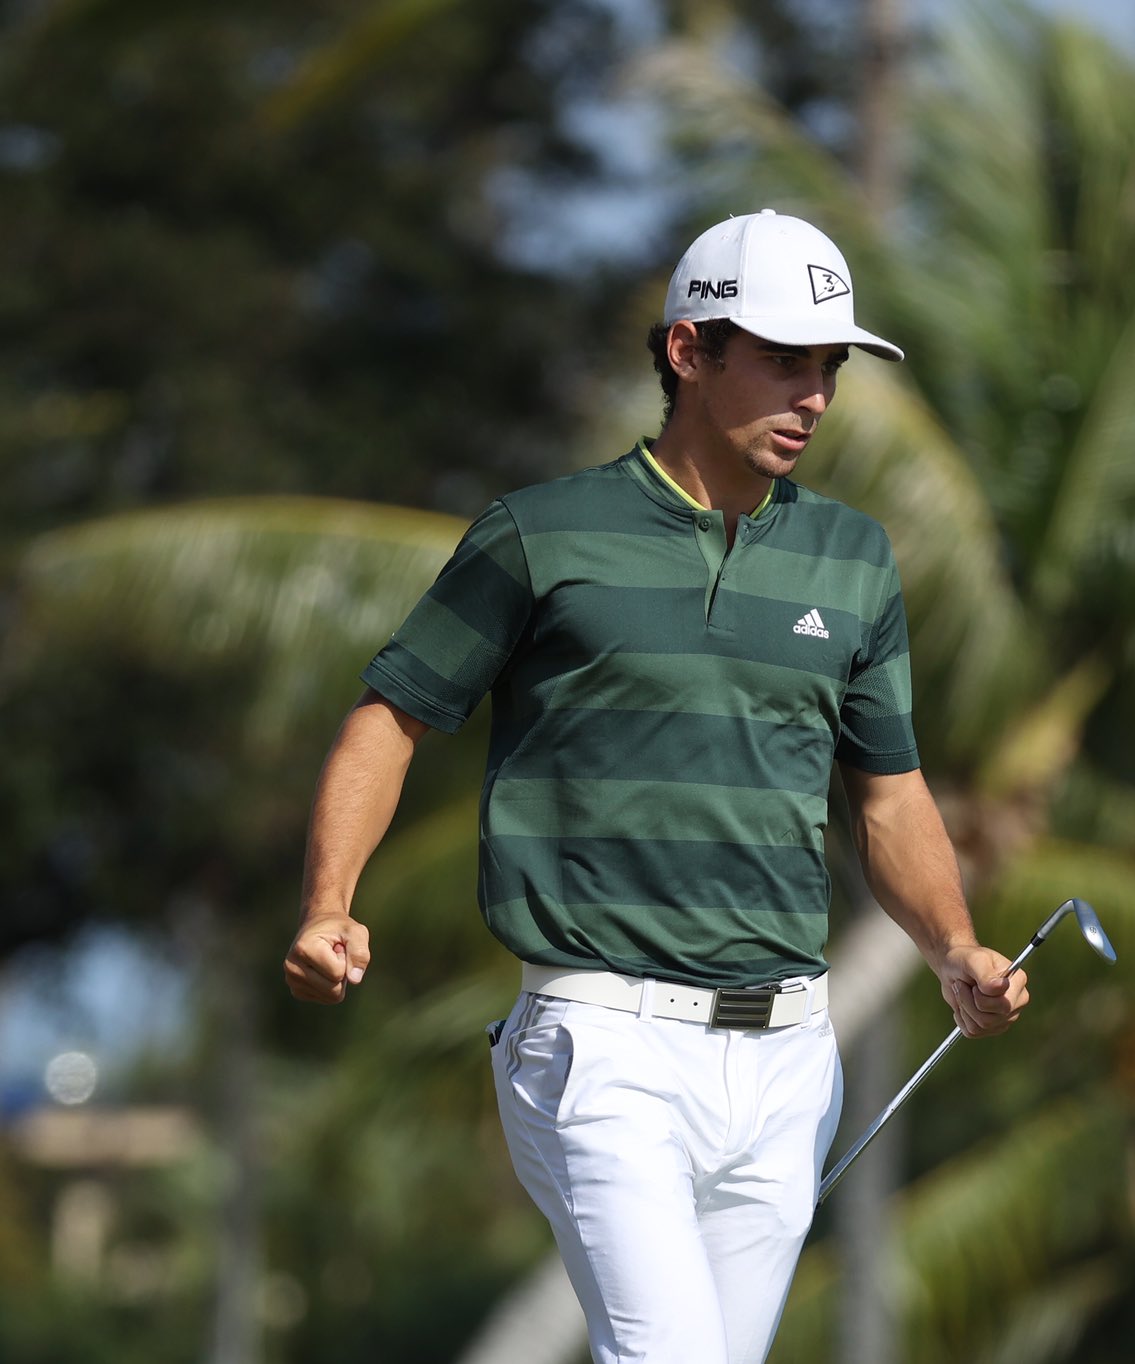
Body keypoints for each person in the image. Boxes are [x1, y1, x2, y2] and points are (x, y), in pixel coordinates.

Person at [282, 209, 1030, 1364]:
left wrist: (953, 945)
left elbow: (888, 795)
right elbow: (390, 720)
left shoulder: (853, 558)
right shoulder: (539, 534)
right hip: (602, 1044)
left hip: (789, 1057)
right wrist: (328, 902)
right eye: (784, 359)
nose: (815, 395)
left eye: (829, 366)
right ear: (689, 350)